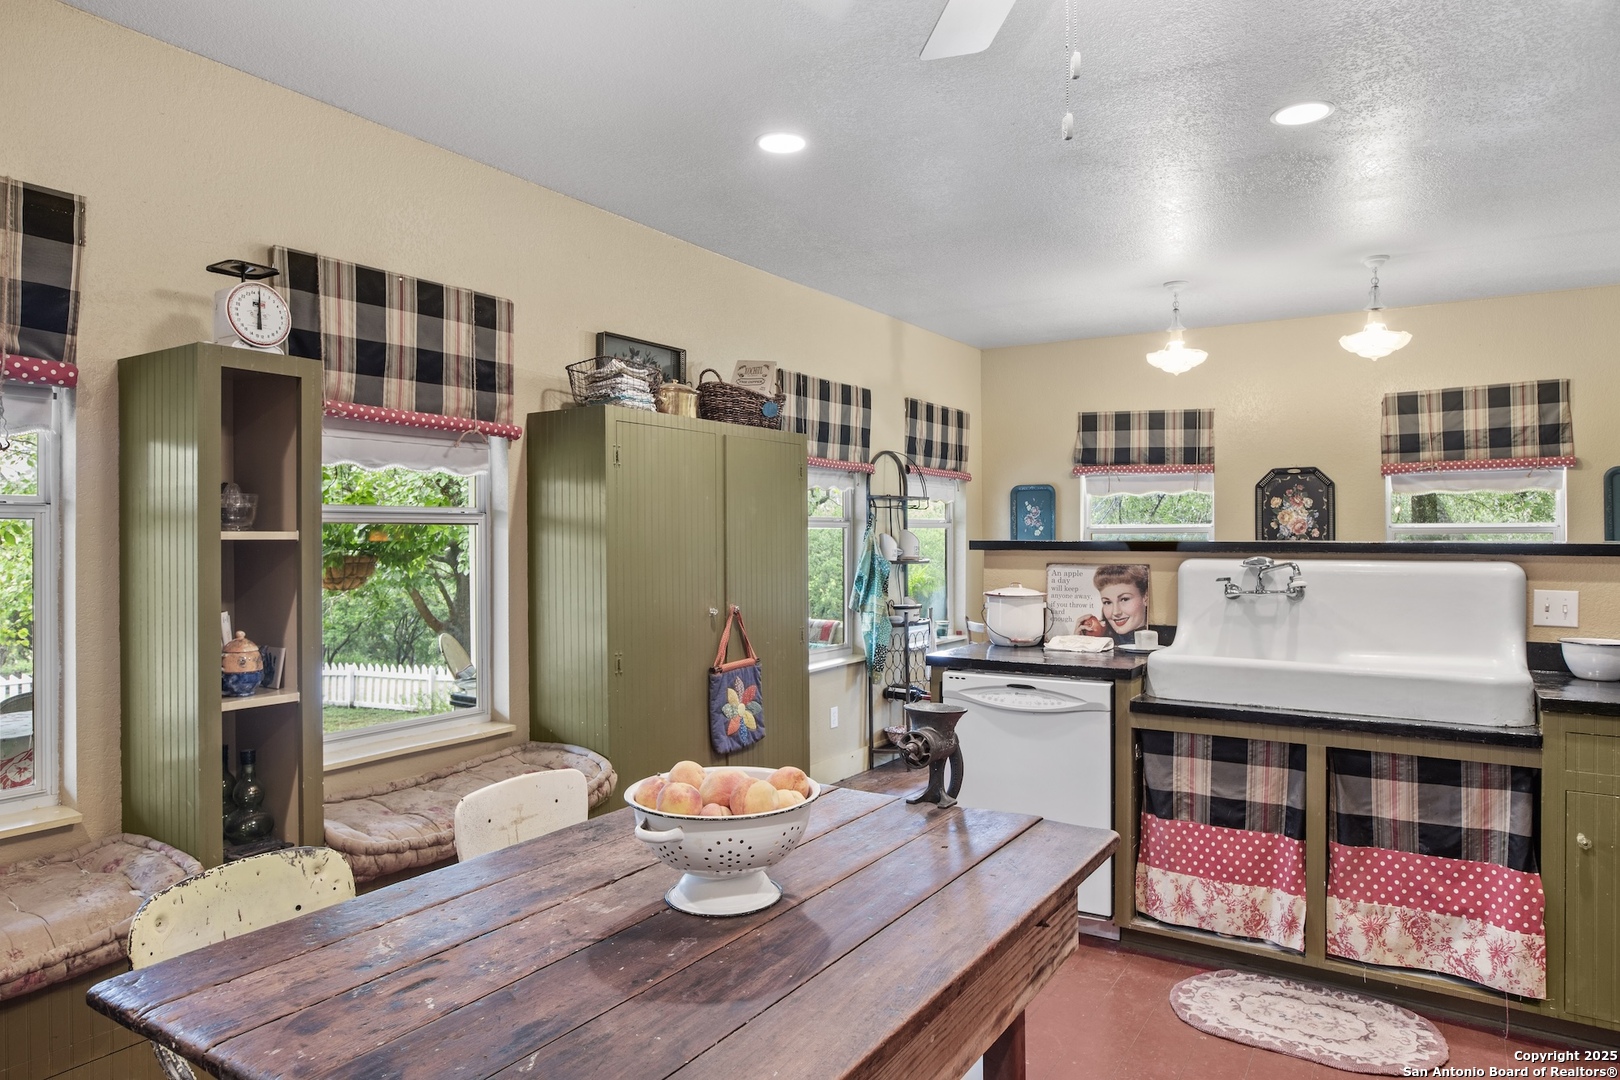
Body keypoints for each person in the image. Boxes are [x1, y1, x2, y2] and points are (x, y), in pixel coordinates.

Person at [1092, 564, 1149, 645]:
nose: (1116, 612)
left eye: (1124, 599)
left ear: (1145, 597)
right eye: (1107, 602)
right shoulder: (1101, 641)